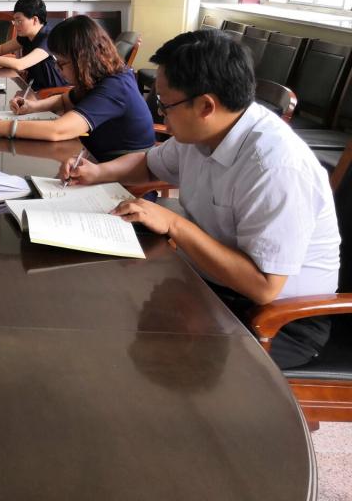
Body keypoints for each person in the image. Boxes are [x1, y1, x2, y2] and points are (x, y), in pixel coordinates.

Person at [59, 30, 340, 369]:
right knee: (101, 305)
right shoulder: (205, 132)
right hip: (211, 286)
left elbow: (264, 287)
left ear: (206, 105)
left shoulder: (275, 166)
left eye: (165, 105)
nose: (160, 115)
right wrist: (96, 172)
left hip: (277, 320)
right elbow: (149, 163)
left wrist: (176, 225)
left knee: (123, 350)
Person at [0, 15, 154, 162]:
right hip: (94, 161)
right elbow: (64, 99)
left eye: (62, 64)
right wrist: (33, 107)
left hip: (121, 178)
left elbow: (58, 131)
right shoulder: (99, 76)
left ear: (82, 59)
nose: (59, 71)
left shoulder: (114, 87)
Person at [0, 0, 67, 90]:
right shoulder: (26, 35)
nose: (15, 25)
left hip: (53, 92)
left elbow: (20, 64)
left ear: (35, 20)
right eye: (14, 21)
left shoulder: (48, 38)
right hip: (33, 88)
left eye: (19, 21)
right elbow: (1, 48)